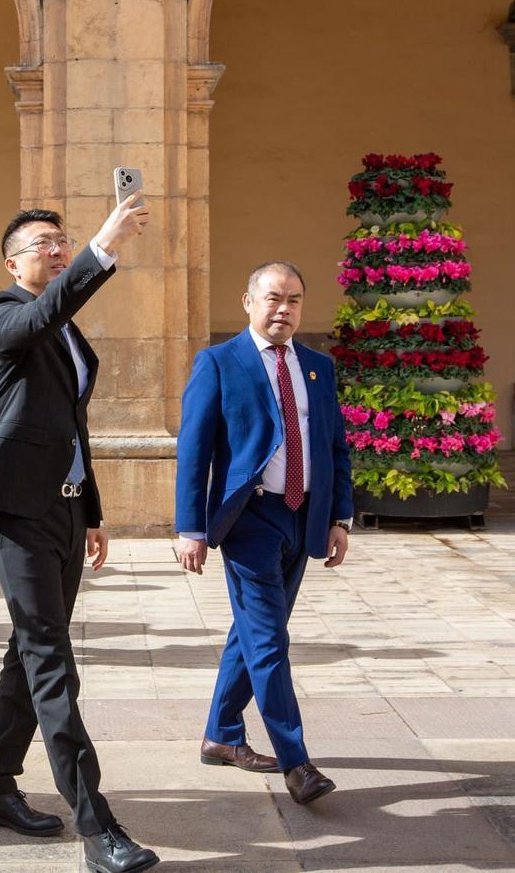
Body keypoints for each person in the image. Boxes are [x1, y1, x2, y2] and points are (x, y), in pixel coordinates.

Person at [0, 194, 159, 873]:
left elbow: (70, 425)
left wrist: (92, 509)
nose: (55, 246)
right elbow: (41, 315)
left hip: (65, 511)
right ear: (11, 259)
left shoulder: (68, 332)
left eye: (61, 238)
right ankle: (97, 826)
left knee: (29, 647)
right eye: (42, 240)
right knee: (52, 659)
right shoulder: (1, 312)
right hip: (17, 510)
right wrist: (103, 244)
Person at [175, 261, 353, 806]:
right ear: (248, 302)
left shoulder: (319, 368)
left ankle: (221, 735)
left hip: (303, 517)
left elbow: (334, 448)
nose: (284, 309)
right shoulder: (218, 363)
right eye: (273, 298)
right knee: (270, 640)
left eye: (294, 300)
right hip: (249, 519)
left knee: (252, 633)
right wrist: (190, 528)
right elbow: (194, 451)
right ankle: (297, 763)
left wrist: (339, 516)